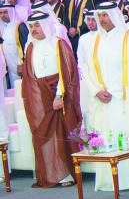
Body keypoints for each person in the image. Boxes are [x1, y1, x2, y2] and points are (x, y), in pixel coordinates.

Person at [80, 2, 129, 193]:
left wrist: (116, 91)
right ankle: (110, 180)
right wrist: (97, 90)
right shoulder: (96, 40)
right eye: (100, 16)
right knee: (107, 137)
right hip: (103, 100)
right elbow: (88, 69)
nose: (102, 20)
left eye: (105, 15)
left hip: (125, 99)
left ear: (114, 16)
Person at [19, 11, 82, 188]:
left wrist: (59, 95)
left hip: (57, 94)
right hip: (40, 96)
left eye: (37, 25)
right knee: (43, 134)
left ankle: (66, 174)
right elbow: (30, 75)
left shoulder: (58, 44)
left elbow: (68, 72)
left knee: (61, 132)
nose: (33, 29)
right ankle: (49, 173)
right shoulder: (31, 47)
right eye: (31, 26)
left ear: (46, 25)